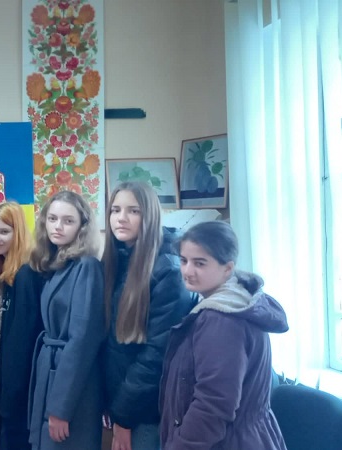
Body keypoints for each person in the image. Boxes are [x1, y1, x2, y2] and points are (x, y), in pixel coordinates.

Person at [159, 221, 288, 449]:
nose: (188, 271)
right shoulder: (237, 301)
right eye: (184, 260)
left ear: (227, 268)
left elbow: (212, 405)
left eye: (200, 263)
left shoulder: (220, 320)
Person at [101, 182, 195, 450]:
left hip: (145, 411)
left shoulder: (168, 270)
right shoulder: (118, 258)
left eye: (134, 211)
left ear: (150, 216)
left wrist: (124, 415)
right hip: (120, 401)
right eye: (115, 210)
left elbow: (156, 354)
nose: (121, 218)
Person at [27, 190, 106, 450]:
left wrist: (61, 408)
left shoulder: (87, 267)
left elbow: (82, 341)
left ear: (82, 226)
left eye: (68, 221)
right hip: (52, 372)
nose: (58, 226)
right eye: (52, 219)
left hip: (72, 387)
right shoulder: (58, 265)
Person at [0, 201, 40, 450]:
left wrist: (11, 395)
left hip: (19, 392)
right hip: (10, 388)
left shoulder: (26, 274)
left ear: (18, 233)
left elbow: (22, 340)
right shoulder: (7, 273)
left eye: (4, 232)